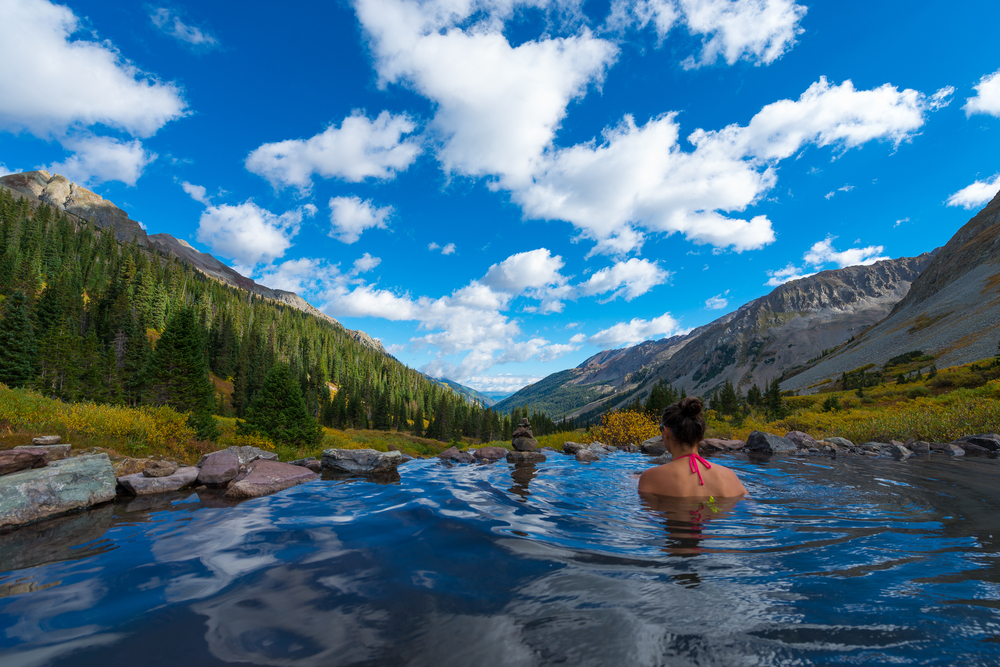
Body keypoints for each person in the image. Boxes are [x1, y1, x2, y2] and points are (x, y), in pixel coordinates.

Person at [638, 397, 747, 498]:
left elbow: (649, 517)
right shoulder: (730, 477)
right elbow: (750, 508)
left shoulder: (650, 478)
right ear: (700, 434)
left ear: (666, 432)